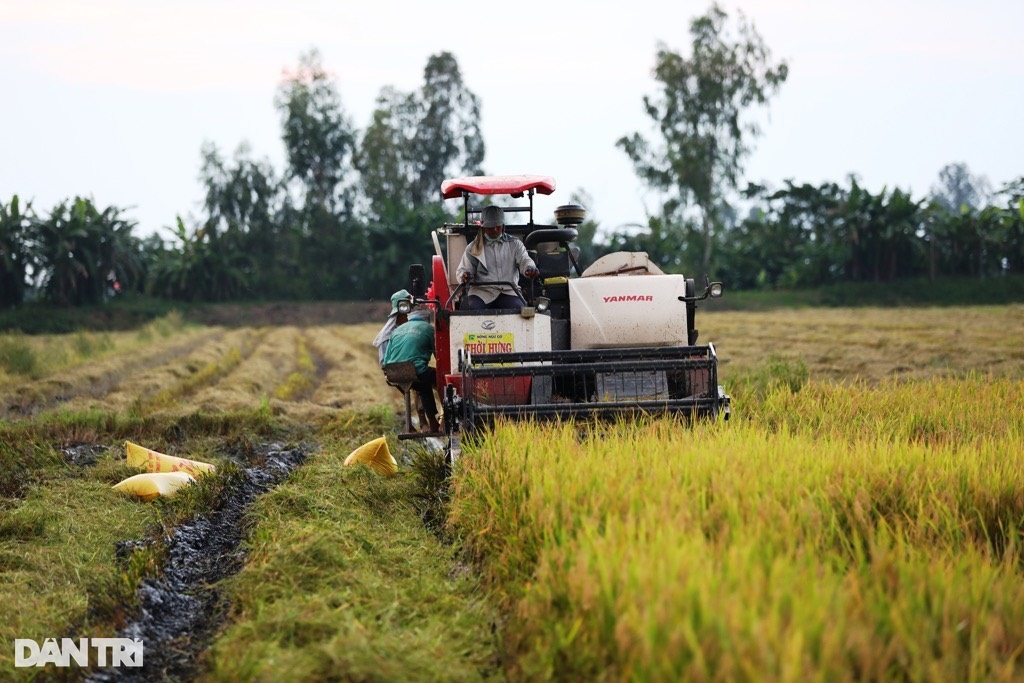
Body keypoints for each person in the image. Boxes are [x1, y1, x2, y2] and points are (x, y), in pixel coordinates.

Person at [456, 205, 540, 311]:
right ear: (482, 226)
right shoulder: (473, 248)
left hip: (509, 291)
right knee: (470, 309)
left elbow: (525, 260)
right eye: (491, 227)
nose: (495, 230)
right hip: (481, 292)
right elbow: (463, 270)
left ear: (503, 225)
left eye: (498, 226)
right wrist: (464, 276)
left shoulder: (515, 244)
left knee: (520, 310)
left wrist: (529, 268)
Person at [381, 307, 441, 433]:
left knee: (422, 386)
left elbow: (386, 360)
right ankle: (442, 419)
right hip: (415, 370)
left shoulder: (397, 330)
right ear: (427, 319)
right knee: (442, 380)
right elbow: (439, 356)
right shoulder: (429, 329)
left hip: (393, 372)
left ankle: (430, 423)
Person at [372, 289, 412, 367]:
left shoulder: (414, 330)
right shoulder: (386, 336)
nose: (409, 314)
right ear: (399, 313)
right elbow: (384, 364)